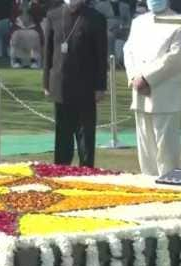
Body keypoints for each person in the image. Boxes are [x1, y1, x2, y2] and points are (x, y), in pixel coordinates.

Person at [43, 0, 108, 168]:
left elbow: (101, 55)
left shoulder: (95, 18)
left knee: (85, 135)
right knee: (62, 135)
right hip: (60, 84)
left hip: (86, 86)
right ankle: (60, 171)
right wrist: (46, 82)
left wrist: (101, 86)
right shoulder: (53, 15)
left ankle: (87, 172)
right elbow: (48, 53)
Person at [124, 0, 181, 176]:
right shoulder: (138, 22)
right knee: (145, 150)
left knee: (167, 151)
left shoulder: (179, 23)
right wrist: (134, 77)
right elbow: (129, 51)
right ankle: (149, 185)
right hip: (140, 94)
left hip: (165, 95)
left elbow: (175, 58)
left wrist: (147, 78)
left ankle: (170, 185)